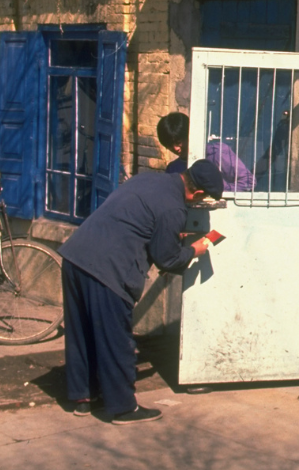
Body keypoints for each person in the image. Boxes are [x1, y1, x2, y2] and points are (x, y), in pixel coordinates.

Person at [59, 160, 224, 424]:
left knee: (82, 333)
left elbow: (136, 221)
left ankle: (82, 397)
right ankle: (123, 408)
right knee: (116, 339)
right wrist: (195, 249)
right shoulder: (173, 208)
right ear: (199, 194)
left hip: (75, 256)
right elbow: (167, 260)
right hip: (108, 268)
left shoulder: (147, 179)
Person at [156, 111, 254, 192]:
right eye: (169, 146)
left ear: (188, 135)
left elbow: (249, 181)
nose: (176, 148)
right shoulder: (173, 169)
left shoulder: (217, 153)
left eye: (178, 142)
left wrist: (219, 190)